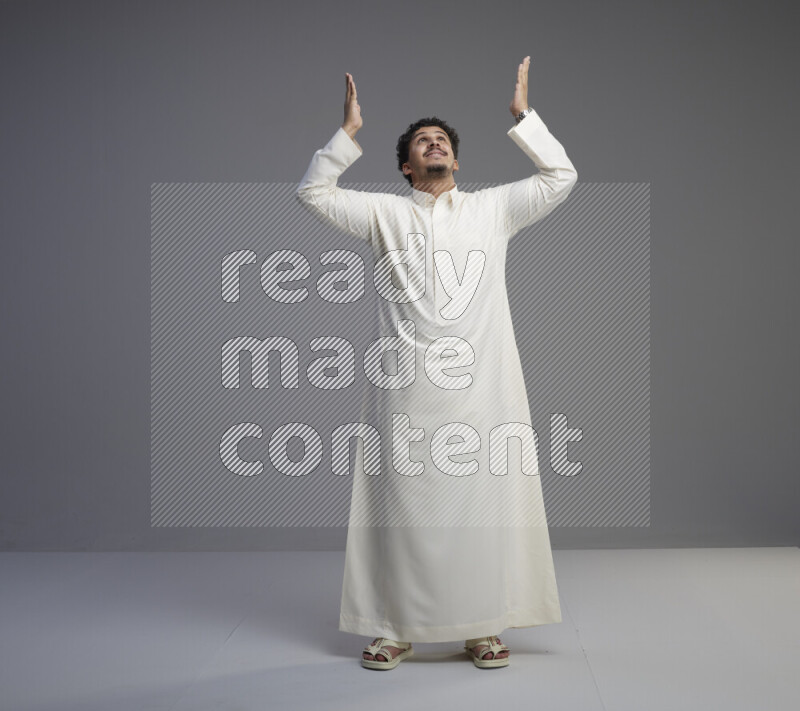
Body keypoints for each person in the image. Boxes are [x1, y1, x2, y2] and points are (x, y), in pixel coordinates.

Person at [296, 56, 577, 669]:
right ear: (406, 165)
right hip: (403, 390)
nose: (434, 145)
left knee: (482, 506)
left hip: (481, 389)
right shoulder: (384, 214)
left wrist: (524, 118)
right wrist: (347, 135)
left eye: (442, 140)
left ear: (457, 161)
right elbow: (314, 192)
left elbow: (560, 176)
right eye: (423, 142)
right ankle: (395, 628)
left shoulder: (492, 210)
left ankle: (482, 626)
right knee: (401, 508)